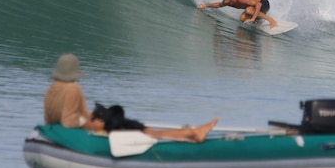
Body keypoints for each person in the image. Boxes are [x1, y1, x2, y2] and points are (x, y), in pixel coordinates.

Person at [43, 54, 218, 142]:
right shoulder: (72, 88)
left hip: (72, 130)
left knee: (137, 126)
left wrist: (88, 115)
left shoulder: (52, 90)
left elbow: (53, 118)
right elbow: (69, 121)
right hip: (98, 126)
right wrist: (93, 122)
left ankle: (190, 132)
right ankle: (192, 133)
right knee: (145, 131)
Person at [90, 103, 218, 143]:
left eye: (94, 119)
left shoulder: (110, 127)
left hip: (132, 129)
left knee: (158, 134)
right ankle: (195, 132)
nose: (92, 121)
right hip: (131, 126)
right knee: (158, 133)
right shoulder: (111, 126)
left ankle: (194, 133)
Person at [43, 53, 102, 131]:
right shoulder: (72, 88)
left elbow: (47, 120)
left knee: (91, 115)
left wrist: (86, 115)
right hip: (70, 132)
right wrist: (88, 123)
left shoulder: (50, 89)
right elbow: (68, 122)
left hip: (54, 129)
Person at [198, 0, 278, 28]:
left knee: (248, 10)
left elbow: (258, 4)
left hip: (263, 3)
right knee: (242, 18)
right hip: (257, 7)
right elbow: (219, 5)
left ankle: (272, 20)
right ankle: (258, 21)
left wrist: (252, 18)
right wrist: (205, 5)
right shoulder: (228, 2)